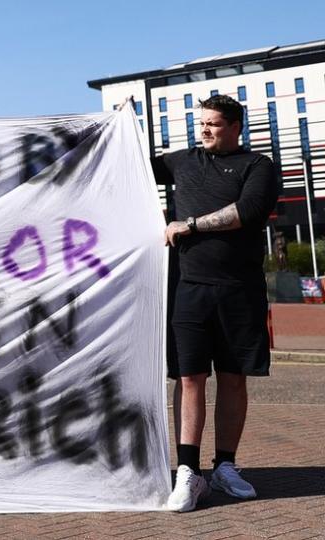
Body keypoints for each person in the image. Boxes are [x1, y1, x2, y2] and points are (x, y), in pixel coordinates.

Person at [152, 94, 279, 512]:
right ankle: (188, 473)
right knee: (188, 378)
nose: (203, 129)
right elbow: (128, 164)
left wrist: (188, 225)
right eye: (201, 122)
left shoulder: (258, 167)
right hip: (188, 288)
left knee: (232, 377)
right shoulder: (182, 161)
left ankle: (225, 466)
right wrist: (118, 123)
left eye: (213, 124)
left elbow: (246, 211)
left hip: (240, 291)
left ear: (235, 127)